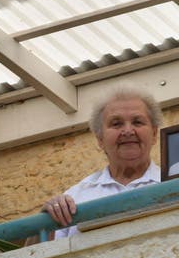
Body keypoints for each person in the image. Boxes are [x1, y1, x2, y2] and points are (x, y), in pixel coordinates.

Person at [41, 87, 162, 238]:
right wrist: (45, 222)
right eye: (116, 124)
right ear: (100, 139)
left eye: (137, 122)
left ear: (155, 133)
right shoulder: (75, 197)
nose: (128, 131)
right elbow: (37, 257)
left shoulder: (175, 183)